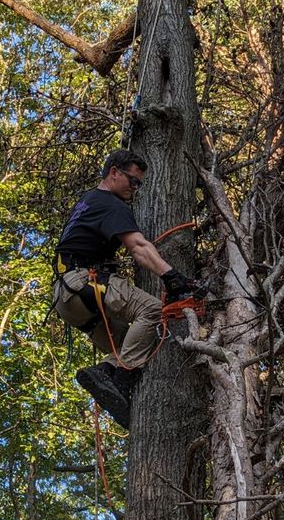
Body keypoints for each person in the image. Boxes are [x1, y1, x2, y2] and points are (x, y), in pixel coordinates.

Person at [52, 149, 200, 428]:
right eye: (133, 181)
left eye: (139, 183)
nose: (136, 188)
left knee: (135, 345)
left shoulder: (88, 200)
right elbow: (139, 248)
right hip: (85, 282)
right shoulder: (111, 204)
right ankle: (110, 372)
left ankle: (114, 385)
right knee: (155, 312)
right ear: (114, 173)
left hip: (67, 299)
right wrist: (172, 276)